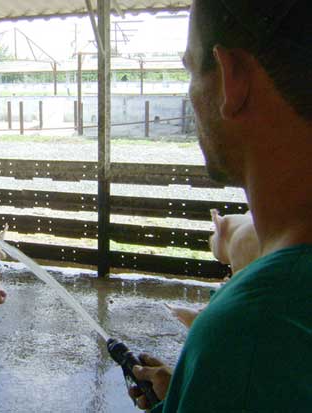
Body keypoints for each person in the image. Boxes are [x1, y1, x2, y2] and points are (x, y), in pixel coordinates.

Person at [128, 0, 312, 411]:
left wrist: (220, 373)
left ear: (232, 77)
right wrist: (185, 393)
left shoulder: (254, 328)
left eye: (191, 70)